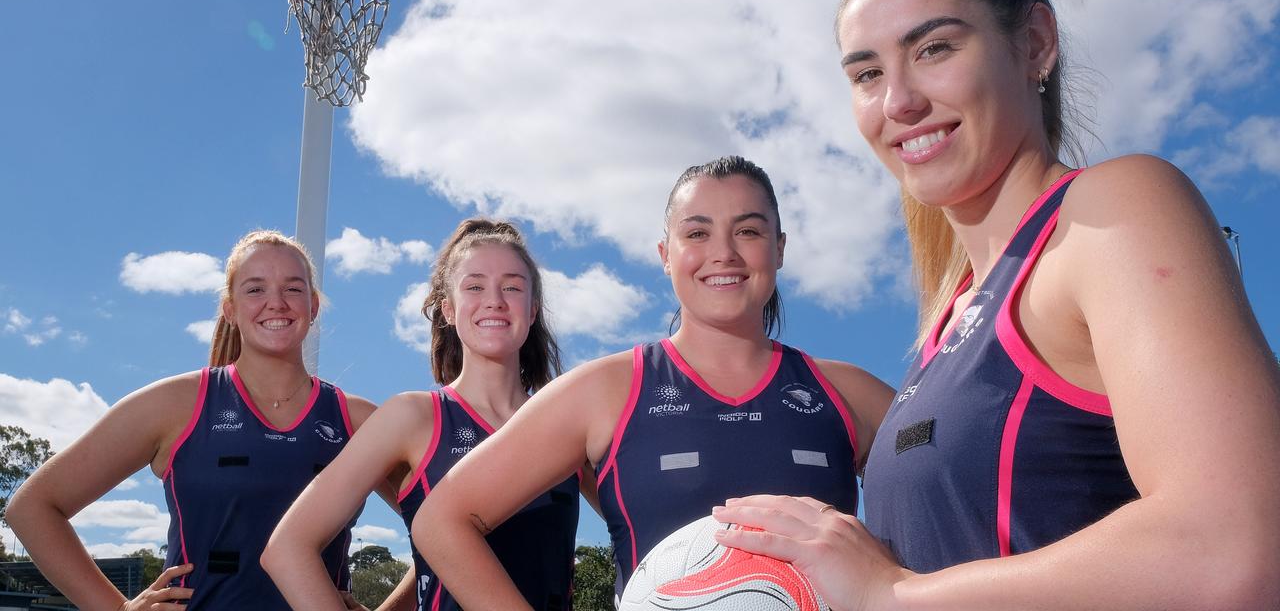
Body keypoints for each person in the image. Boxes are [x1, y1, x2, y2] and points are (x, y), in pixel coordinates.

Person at [712, 0, 1280, 610]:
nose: (897, 101)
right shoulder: (947, 322)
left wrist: (892, 594)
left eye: (935, 49)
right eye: (865, 74)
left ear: (1036, 42)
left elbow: (1237, 549)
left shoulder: (1112, 212)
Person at [412, 156, 895, 608]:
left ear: (779, 248)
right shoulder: (606, 390)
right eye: (697, 233)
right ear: (666, 254)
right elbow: (441, 521)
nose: (723, 253)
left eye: (747, 230)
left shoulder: (848, 394)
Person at [7, 230, 406, 610]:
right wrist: (116, 608)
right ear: (229, 308)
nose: (276, 302)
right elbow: (33, 507)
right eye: (255, 289)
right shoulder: (174, 405)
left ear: (313, 306)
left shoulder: (359, 420)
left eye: (293, 288)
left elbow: (442, 523)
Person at [263, 218, 582, 611]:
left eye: (512, 287)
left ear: (532, 310)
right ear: (448, 308)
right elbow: (288, 547)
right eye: (475, 286)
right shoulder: (413, 417)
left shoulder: (565, 422)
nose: (495, 300)